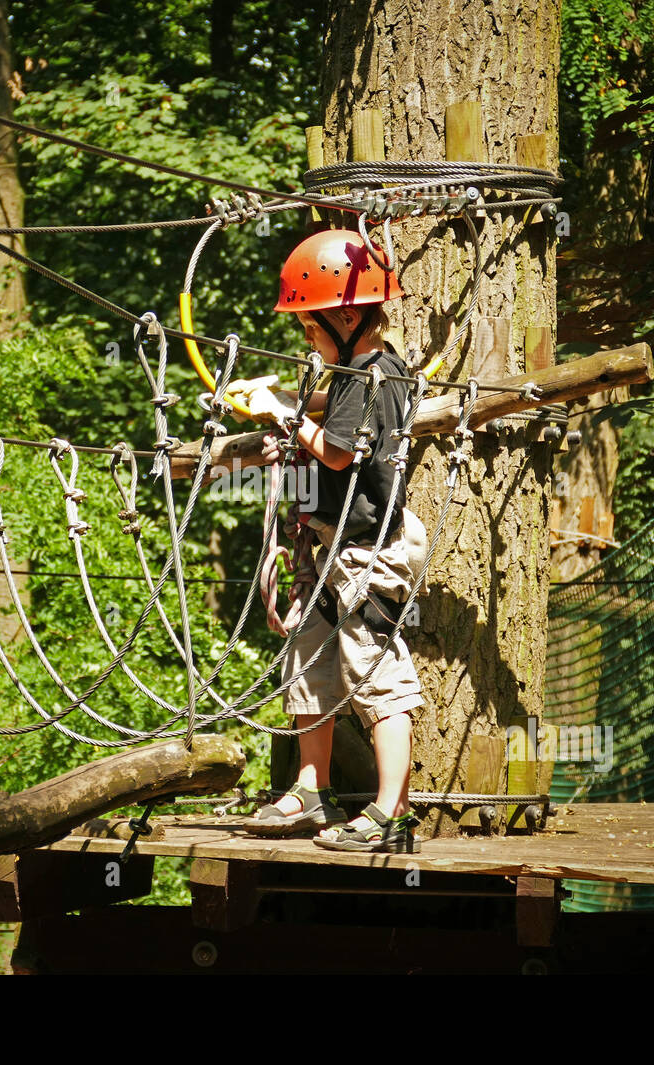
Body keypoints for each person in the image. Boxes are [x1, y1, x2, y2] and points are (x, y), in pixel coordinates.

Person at [239, 228, 426, 854]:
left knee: (377, 673)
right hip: (333, 543)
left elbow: (343, 454)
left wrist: (283, 412)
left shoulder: (372, 374)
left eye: (312, 327)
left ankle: (390, 811)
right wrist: (287, 426)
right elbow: (330, 438)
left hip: (370, 548)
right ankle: (312, 786)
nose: (308, 338)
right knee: (309, 655)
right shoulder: (352, 372)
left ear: (347, 315)